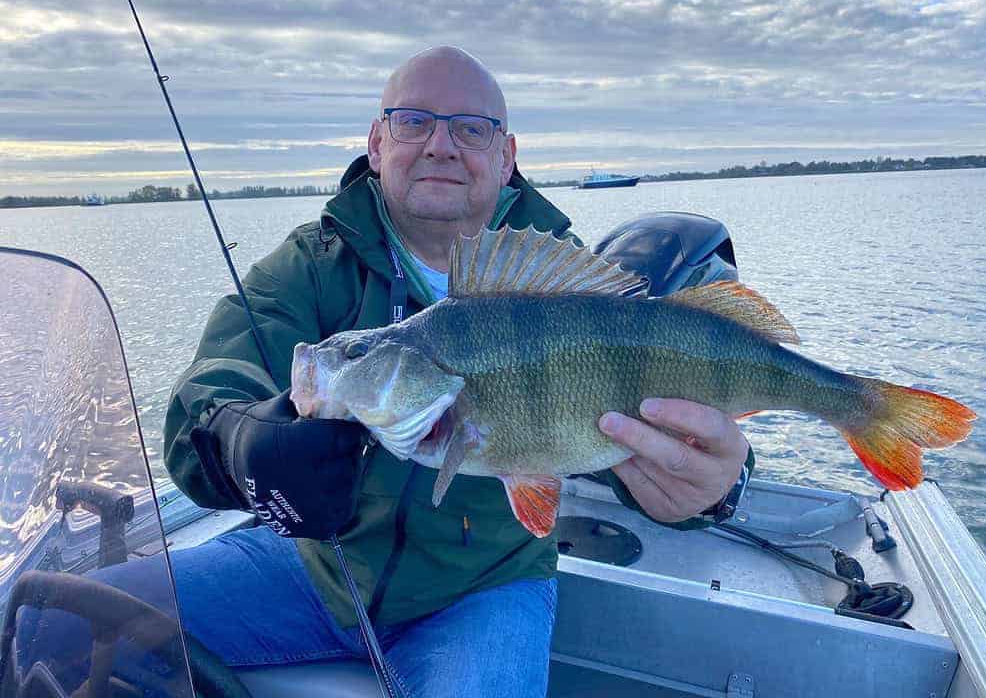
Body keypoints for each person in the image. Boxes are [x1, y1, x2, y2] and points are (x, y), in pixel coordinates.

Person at [162, 46, 753, 697]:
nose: (442, 145)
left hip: (486, 591)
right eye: (414, 121)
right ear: (378, 142)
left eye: (471, 128)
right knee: (62, 616)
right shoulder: (312, 266)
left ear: (507, 156)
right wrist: (241, 439)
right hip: (316, 571)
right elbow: (210, 392)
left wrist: (717, 485)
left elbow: (668, 425)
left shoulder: (566, 291)